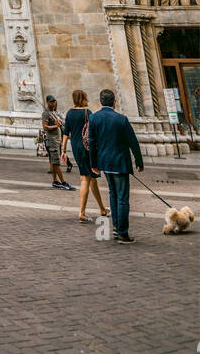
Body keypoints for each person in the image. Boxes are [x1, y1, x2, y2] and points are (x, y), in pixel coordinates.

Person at [88, 88, 143, 243]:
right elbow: (133, 142)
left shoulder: (94, 118)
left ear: (101, 102)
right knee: (122, 198)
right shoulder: (121, 119)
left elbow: (92, 143)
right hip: (120, 162)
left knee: (113, 194)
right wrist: (139, 161)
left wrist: (94, 163)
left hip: (105, 162)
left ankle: (116, 228)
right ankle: (123, 233)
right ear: (114, 101)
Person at [61, 89, 109, 222]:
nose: (88, 100)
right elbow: (94, 131)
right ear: (82, 99)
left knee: (92, 178)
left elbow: (65, 133)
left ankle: (102, 209)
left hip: (76, 148)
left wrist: (63, 151)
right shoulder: (87, 112)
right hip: (87, 148)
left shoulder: (70, 113)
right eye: (86, 98)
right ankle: (81, 213)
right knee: (85, 179)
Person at [41, 95, 74, 190]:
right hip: (52, 141)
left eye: (54, 101)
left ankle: (55, 181)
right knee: (56, 163)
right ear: (48, 102)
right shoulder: (46, 114)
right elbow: (45, 127)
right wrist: (56, 126)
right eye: (51, 102)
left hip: (57, 141)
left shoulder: (54, 112)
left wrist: (59, 123)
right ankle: (63, 182)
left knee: (52, 162)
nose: (53, 103)